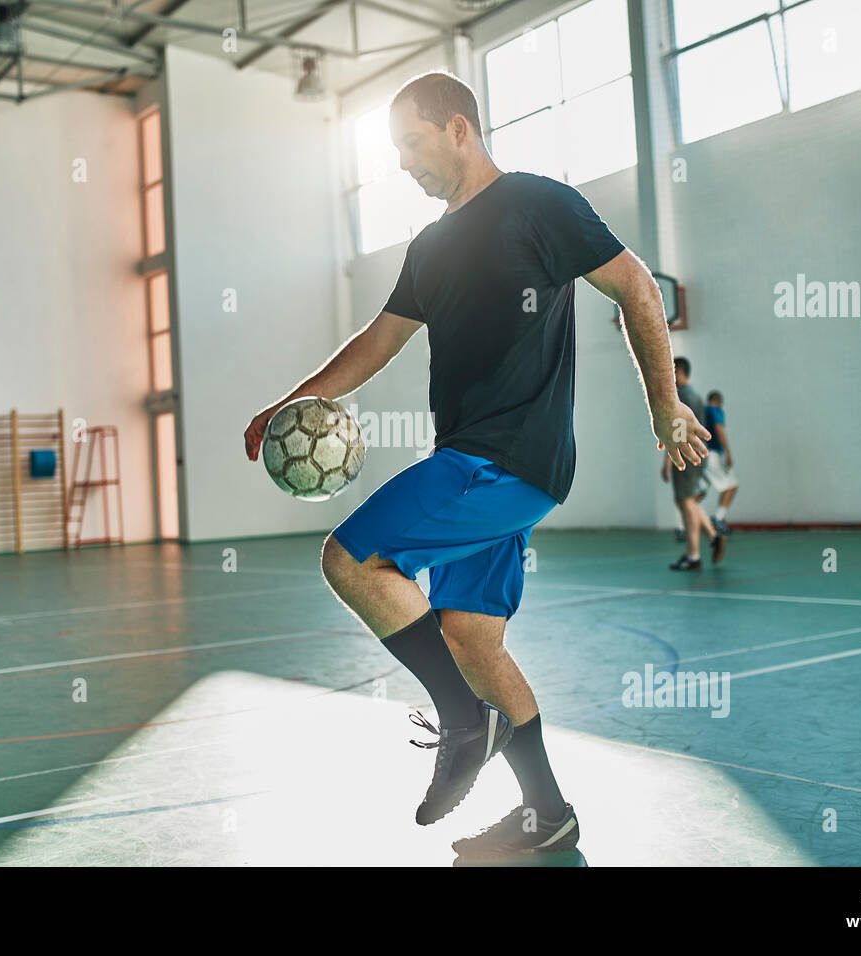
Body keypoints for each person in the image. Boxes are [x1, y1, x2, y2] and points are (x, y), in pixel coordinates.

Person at [243, 72, 709, 858]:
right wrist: (288, 403)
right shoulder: (429, 247)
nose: (401, 164)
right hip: (472, 460)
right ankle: (548, 813)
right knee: (471, 640)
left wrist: (664, 406)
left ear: (459, 129)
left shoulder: (538, 204)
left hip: (510, 458)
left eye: (411, 144)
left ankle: (463, 721)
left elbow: (635, 289)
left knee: (350, 559)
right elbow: (377, 342)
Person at [661, 357, 724, 569]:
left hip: (686, 457)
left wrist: (669, 462)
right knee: (686, 501)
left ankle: (693, 556)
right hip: (695, 456)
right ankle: (713, 537)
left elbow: (675, 432)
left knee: (686, 501)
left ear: (678, 371)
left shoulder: (681, 397)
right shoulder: (695, 396)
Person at [701, 390, 739, 534]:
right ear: (718, 401)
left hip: (702, 455)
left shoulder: (702, 412)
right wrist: (728, 453)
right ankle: (718, 518)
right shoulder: (714, 410)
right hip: (712, 456)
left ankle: (683, 521)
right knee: (731, 486)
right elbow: (719, 429)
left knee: (700, 491)